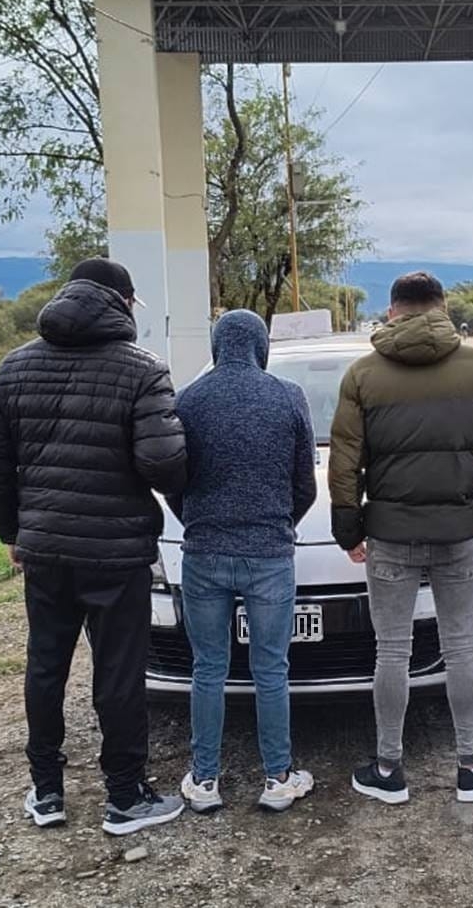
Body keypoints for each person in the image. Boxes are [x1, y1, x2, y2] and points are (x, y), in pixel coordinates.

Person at [0, 257, 188, 835]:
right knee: (119, 672)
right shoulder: (142, 369)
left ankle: (46, 791)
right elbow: (163, 464)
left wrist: (12, 533)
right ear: (124, 303)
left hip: (44, 549)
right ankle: (125, 796)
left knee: (45, 666)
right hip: (117, 552)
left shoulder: (15, 366)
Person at [329, 271, 473, 804]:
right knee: (460, 647)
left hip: (389, 535)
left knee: (391, 651)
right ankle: (471, 766)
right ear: (443, 308)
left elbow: (345, 459)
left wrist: (348, 527)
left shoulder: (363, 374)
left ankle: (388, 768)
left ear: (393, 311)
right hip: (460, 533)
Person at [168, 309, 317, 813]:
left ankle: (204, 780)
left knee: (208, 667)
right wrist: (279, 523)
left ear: (216, 347)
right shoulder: (288, 396)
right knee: (270, 668)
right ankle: (278, 778)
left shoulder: (188, 400)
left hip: (204, 552)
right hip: (269, 553)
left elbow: (173, 481)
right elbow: (305, 485)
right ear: (261, 346)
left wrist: (196, 520)